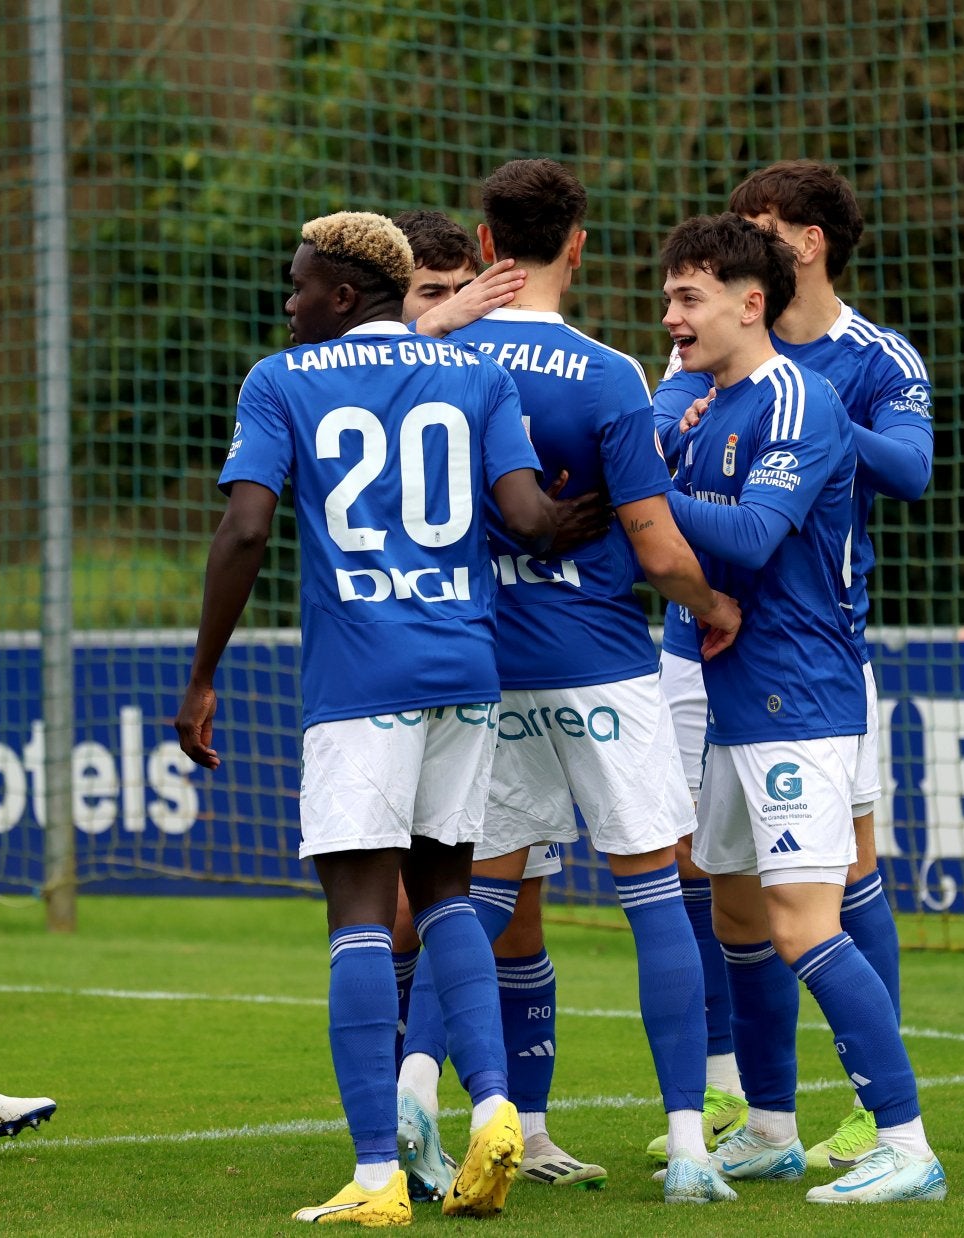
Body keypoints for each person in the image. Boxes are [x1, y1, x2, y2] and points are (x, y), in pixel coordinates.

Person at [176, 210, 573, 1226]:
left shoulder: (281, 381)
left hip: (363, 679)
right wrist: (626, 497)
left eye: (300, 282)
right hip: (467, 668)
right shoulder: (482, 379)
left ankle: (374, 1173)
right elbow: (529, 519)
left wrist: (203, 672)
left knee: (357, 913)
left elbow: (247, 524)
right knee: (446, 893)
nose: (289, 299)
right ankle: (492, 1105)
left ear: (345, 294)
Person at [394, 159, 742, 1206]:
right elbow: (656, 543)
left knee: (472, 898)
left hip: (481, 665)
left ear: (486, 244)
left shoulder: (432, 357)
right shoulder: (605, 375)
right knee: (653, 903)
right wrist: (715, 606)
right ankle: (688, 1146)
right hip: (602, 664)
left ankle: (415, 1087)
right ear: (577, 245)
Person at [652, 161, 935, 1172]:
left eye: (687, 298)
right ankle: (768, 1124)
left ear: (755, 292)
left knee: (816, 908)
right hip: (719, 672)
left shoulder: (820, 385)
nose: (673, 319)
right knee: (731, 901)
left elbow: (764, 525)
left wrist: (640, 487)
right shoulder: (698, 390)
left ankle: (899, 1134)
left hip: (800, 677)